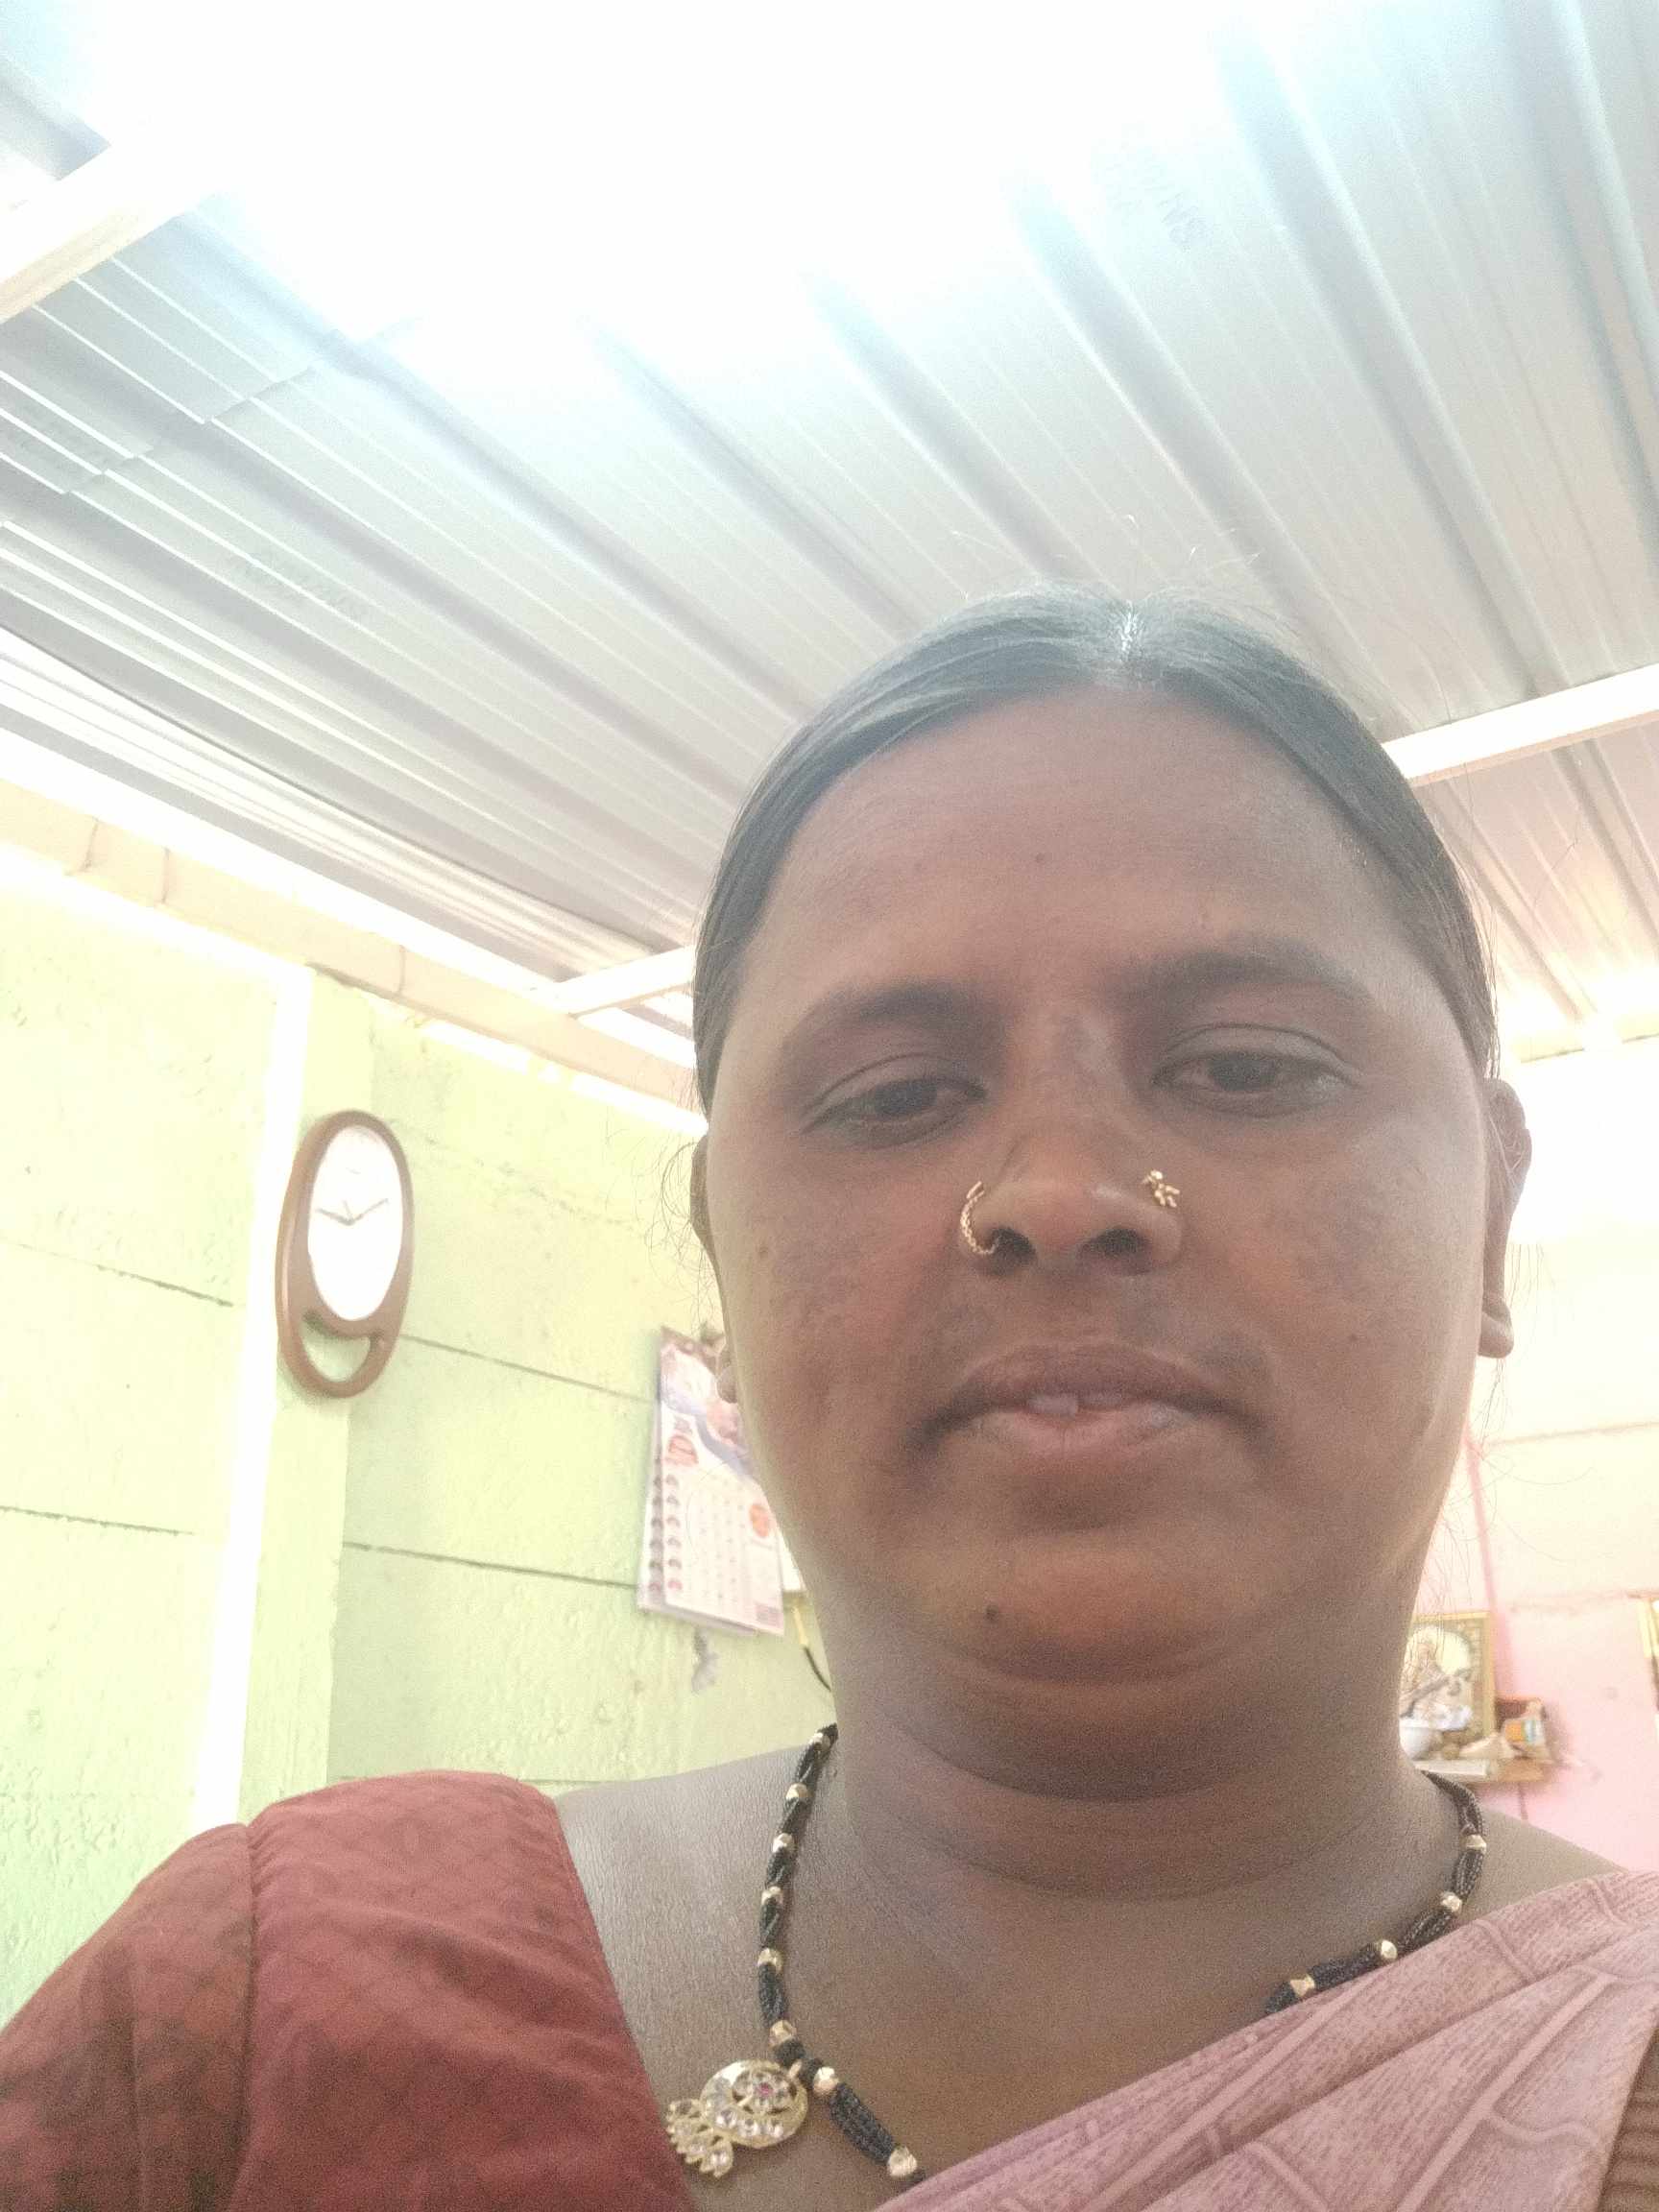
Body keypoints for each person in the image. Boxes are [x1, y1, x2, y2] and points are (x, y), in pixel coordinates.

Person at [3, 589, 1656, 2209]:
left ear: (1491, 1220)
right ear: (722, 1263)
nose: (1060, 1192)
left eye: (1245, 1066)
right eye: (896, 1095)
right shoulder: (250, 2026)